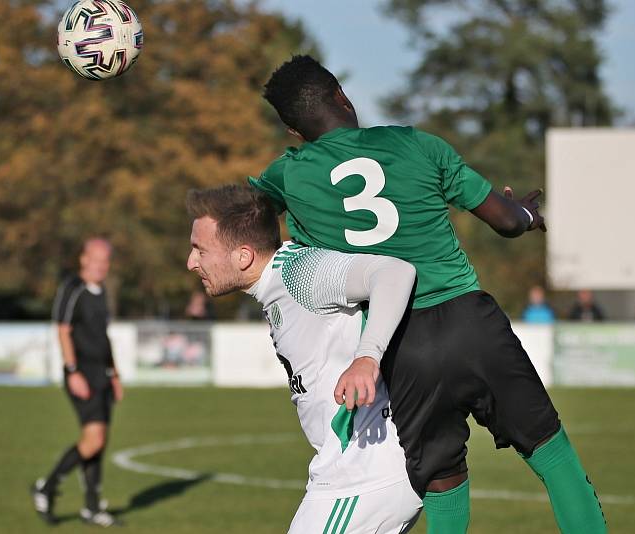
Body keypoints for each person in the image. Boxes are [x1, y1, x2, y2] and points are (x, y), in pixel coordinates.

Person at [249, 55, 605, 533]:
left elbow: (245, 217)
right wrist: (525, 215)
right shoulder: (415, 144)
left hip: (398, 343)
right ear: (343, 95)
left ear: (293, 132)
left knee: (442, 479)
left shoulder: (288, 174)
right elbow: (504, 221)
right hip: (468, 318)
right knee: (549, 449)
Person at [187, 185, 422, 533]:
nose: (191, 262)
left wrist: (367, 358)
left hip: (362, 475)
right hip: (355, 473)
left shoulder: (298, 273)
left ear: (243, 256)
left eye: (200, 250)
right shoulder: (276, 285)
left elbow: (394, 273)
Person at [31, 238, 123, 527]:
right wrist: (73, 371)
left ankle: (92, 508)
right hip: (82, 373)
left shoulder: (101, 291)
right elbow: (62, 330)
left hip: (102, 375)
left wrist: (114, 373)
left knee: (98, 442)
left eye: (105, 260)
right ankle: (45, 488)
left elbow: (103, 337)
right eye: (96, 259)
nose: (101, 265)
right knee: (93, 439)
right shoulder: (73, 288)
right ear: (84, 259)